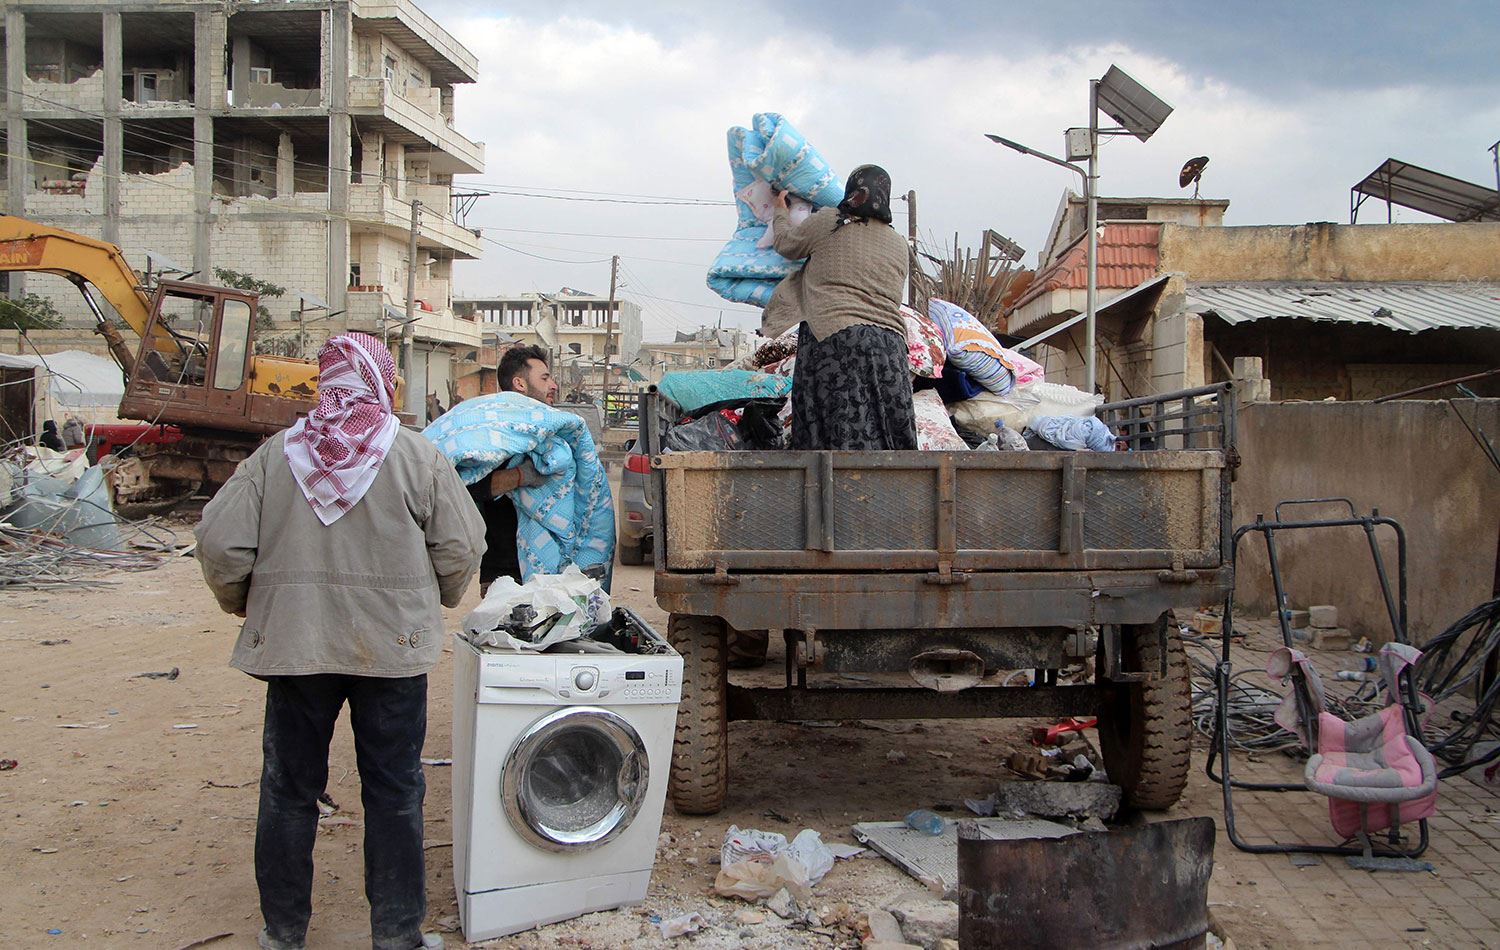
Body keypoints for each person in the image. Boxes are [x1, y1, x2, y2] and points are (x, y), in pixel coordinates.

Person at [194, 332, 485, 950]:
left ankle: (283, 934)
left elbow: (220, 545)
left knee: (290, 791)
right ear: (381, 380)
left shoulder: (276, 457)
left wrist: (248, 605)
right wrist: (435, 601)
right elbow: (460, 548)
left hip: (297, 648)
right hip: (394, 650)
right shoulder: (414, 456)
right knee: (395, 789)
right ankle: (398, 935)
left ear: (324, 381)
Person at [763, 164, 916, 451]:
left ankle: (831, 492)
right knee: (887, 433)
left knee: (832, 426)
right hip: (891, 348)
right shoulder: (898, 244)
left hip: (836, 336)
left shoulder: (830, 221)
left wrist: (780, 210)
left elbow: (786, 245)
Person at [469, 345, 557, 595]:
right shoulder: (493, 432)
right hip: (505, 575)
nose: (553, 385)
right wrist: (524, 475)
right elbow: (469, 486)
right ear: (519, 383)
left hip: (553, 573)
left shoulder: (553, 429)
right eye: (544, 378)